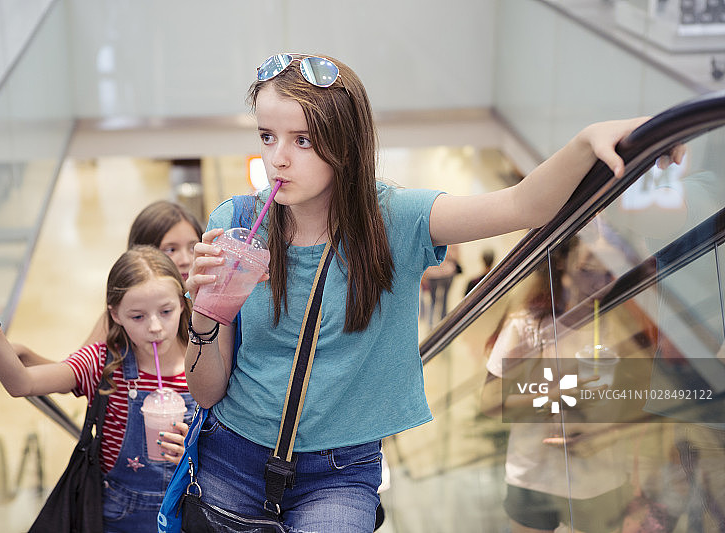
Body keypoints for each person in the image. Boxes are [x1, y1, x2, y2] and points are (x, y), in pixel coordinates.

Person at [182, 52, 685, 532]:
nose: (278, 159)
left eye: (303, 141)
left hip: (339, 474)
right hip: (233, 454)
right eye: (267, 137)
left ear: (345, 144)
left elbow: (523, 206)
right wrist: (204, 312)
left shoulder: (394, 220)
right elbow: (206, 391)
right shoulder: (238, 222)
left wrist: (586, 142)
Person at [0, 245, 196, 532]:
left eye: (166, 311)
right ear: (115, 315)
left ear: (183, 304)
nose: (155, 327)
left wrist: (193, 453)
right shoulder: (101, 363)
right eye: (138, 316)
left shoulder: (204, 366)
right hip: (117, 517)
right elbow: (21, 383)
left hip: (188, 512)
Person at [479, 239, 629, 533]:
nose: (600, 284)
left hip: (601, 476)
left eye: (609, 273)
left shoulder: (619, 322)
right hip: (534, 475)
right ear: (562, 261)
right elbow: (491, 403)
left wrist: (602, 430)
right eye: (588, 270)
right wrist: (551, 398)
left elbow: (636, 397)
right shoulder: (527, 325)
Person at [13, 200, 203, 365]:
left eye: (193, 247)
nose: (186, 259)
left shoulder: (211, 305)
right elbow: (74, 372)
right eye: (170, 250)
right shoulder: (122, 317)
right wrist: (23, 356)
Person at [420, 243, 462, 326]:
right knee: (445, 299)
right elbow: (456, 257)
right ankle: (444, 324)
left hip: (432, 273)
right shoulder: (453, 240)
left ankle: (430, 325)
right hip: (447, 273)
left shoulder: (429, 238)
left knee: (432, 300)